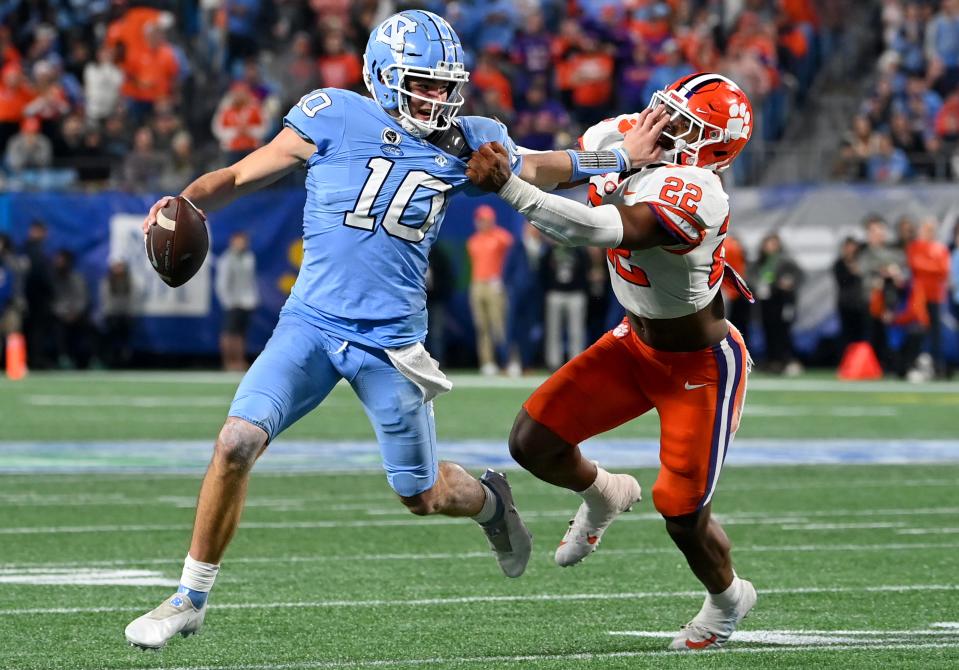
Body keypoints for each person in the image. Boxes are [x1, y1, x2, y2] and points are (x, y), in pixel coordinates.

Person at [125, 9, 656, 650]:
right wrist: (184, 200)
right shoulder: (334, 115)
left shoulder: (467, 140)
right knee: (236, 441)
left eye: (445, 85)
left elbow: (542, 166)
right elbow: (240, 173)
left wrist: (617, 157)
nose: (439, 98)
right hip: (310, 325)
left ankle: (491, 502)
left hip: (390, 344)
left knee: (421, 493)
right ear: (382, 76)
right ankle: (190, 596)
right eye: (424, 83)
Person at [467, 73, 758, 651]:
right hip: (634, 341)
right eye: (667, 111)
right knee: (532, 441)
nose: (664, 126)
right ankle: (603, 491)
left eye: (685, 125)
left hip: (698, 364)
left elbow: (599, 227)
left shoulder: (701, 190)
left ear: (714, 147)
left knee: (680, 512)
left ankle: (728, 601)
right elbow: (548, 165)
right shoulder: (625, 134)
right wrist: (498, 159)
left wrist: (508, 189)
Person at [466, 204, 513, 375]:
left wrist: (502, 280)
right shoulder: (473, 241)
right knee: (482, 326)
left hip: (495, 286)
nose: (481, 223)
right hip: (478, 285)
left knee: (500, 325)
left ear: (491, 220)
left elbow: (512, 261)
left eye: (484, 220)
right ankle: (487, 362)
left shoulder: (502, 238)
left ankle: (510, 360)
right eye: (479, 220)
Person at [215, 231, 259, 372]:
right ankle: (228, 362)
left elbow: (251, 281)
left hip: (246, 302)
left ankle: (239, 361)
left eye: (244, 241)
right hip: (232, 303)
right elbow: (222, 283)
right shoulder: (226, 259)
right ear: (232, 242)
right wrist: (228, 302)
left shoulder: (249, 257)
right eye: (239, 241)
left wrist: (253, 299)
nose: (242, 244)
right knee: (229, 334)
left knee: (241, 334)